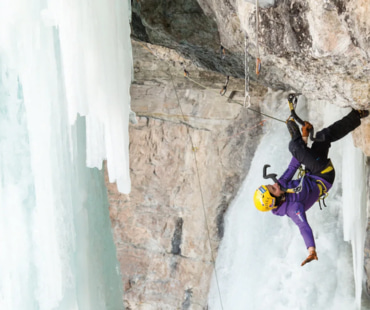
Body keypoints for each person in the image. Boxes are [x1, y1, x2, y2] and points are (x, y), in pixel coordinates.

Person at [253, 108, 369, 266]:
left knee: (323, 137)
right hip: (323, 175)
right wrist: (311, 250)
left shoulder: (281, 186)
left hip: (313, 172)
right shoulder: (293, 209)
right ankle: (295, 137)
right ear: (276, 200)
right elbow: (303, 227)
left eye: (270, 185)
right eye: (273, 189)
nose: (275, 184)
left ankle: (356, 116)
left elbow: (293, 165)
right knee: (294, 147)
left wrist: (304, 136)